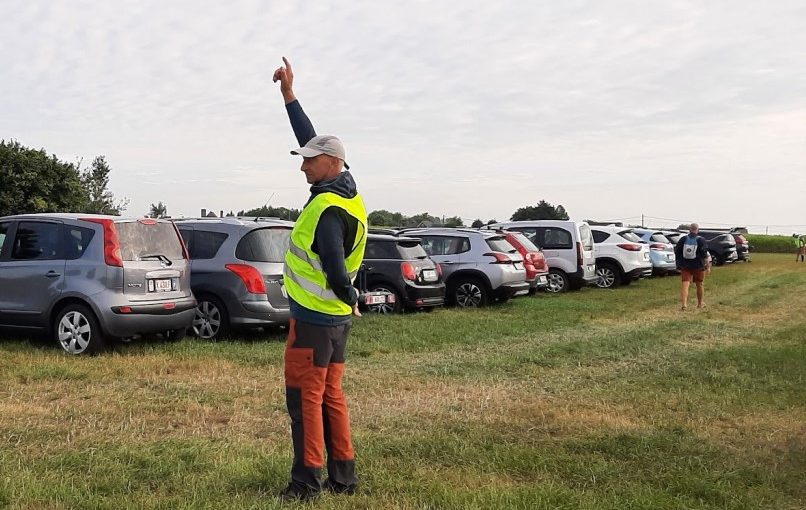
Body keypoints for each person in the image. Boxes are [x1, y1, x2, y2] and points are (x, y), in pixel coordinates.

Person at [273, 57, 367, 502]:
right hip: (334, 322)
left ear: (330, 163)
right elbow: (310, 139)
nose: (303, 166)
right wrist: (289, 96)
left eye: (310, 162)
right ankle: (343, 478)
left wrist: (350, 295)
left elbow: (332, 261)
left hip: (313, 322)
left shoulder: (327, 209)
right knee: (330, 395)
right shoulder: (347, 193)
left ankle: (305, 482)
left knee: (304, 400)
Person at [674, 223, 710, 310]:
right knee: (699, 284)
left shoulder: (683, 239)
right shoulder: (701, 240)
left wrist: (678, 265)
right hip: (698, 266)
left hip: (685, 265)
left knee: (685, 284)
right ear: (697, 230)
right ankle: (700, 303)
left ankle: (684, 305)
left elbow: (677, 252)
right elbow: (704, 254)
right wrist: (707, 266)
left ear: (689, 229)